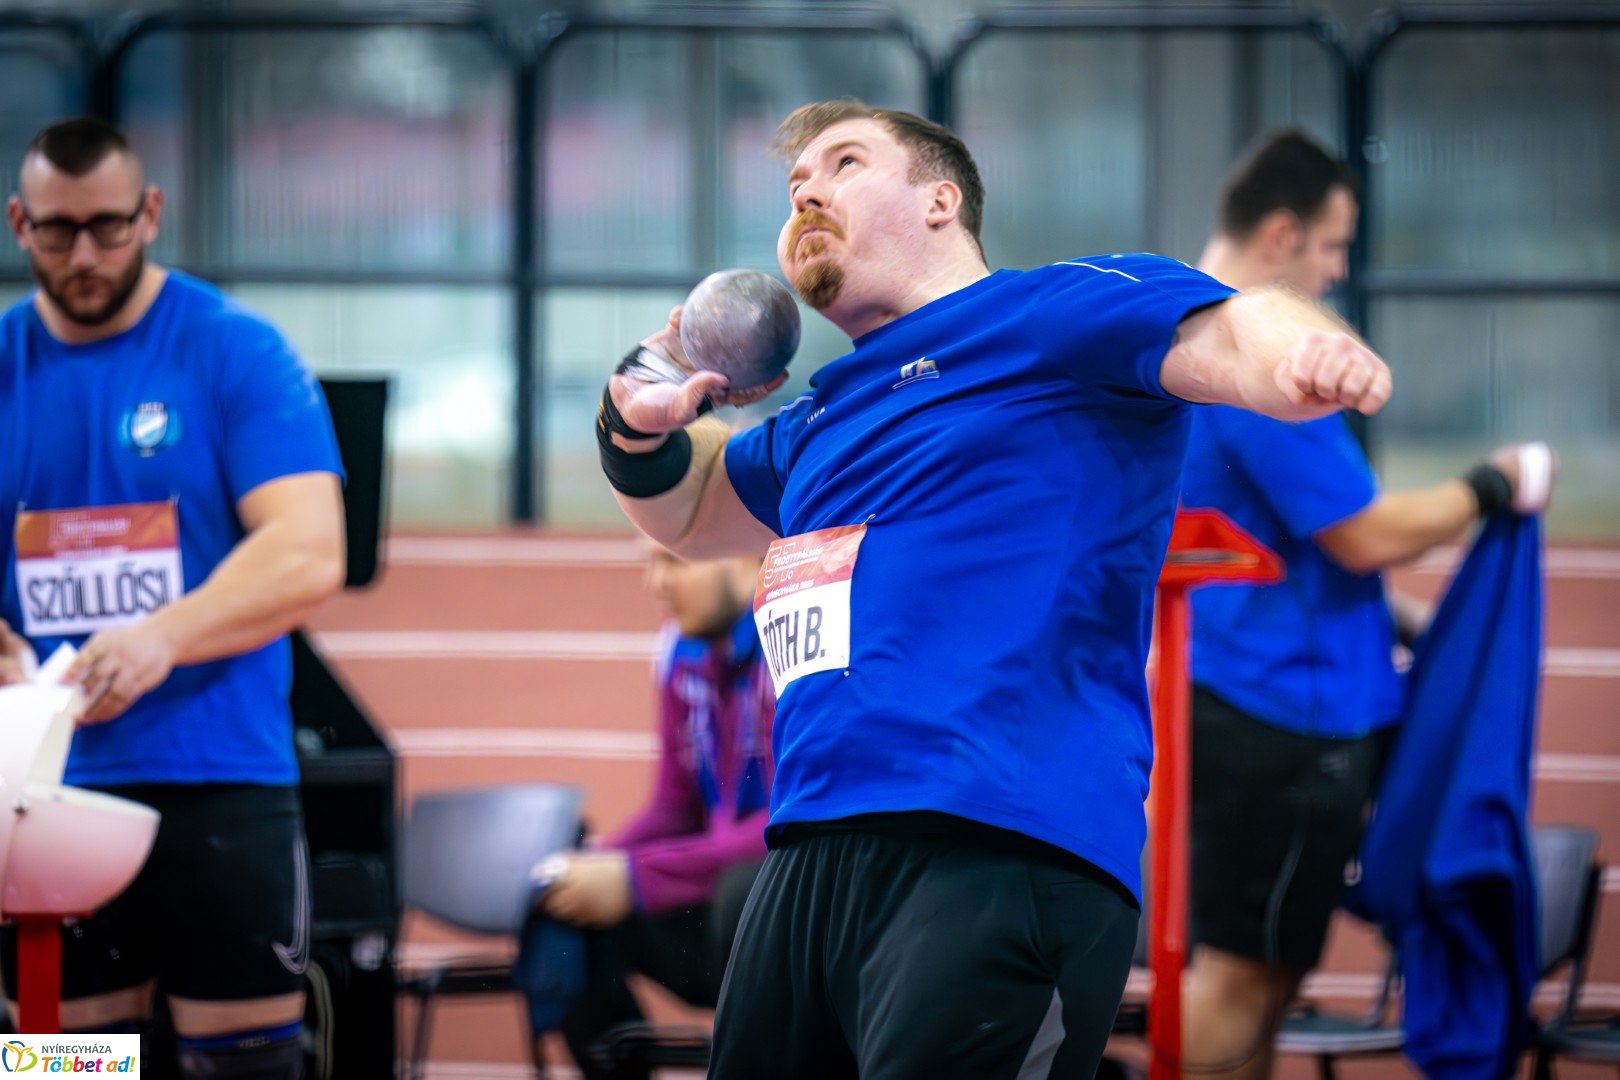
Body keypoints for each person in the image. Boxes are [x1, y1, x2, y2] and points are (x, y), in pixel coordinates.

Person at [594, 99, 1393, 1078]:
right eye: (794, 185)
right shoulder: (820, 423)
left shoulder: (1055, 315)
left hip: (997, 844)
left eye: (844, 164)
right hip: (806, 853)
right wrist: (636, 411)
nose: (806, 193)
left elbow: (1235, 324)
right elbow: (687, 505)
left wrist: (1299, 351)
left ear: (941, 201)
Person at [1178, 129, 1554, 1078]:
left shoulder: (1193, 336)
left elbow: (1287, 541)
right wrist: (1493, 483)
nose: (1339, 270)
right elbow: (1367, 533)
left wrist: (1400, 620)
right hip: (1282, 711)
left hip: (1259, 692)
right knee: (1240, 975)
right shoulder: (1260, 362)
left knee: (1266, 976)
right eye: (1334, 246)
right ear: (1281, 235)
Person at [0, 118, 346, 1078]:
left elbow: (310, 549)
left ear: (150, 213)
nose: (83, 255)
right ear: (19, 224)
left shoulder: (235, 350)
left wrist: (162, 637)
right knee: (71, 1067)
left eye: (108, 227)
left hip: (220, 783)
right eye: (57, 231)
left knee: (242, 1066)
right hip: (45, 792)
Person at [516, 545, 772, 1079]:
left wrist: (634, 878)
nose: (655, 584)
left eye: (674, 560)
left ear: (745, 556)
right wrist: (596, 866)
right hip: (711, 906)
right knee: (565, 897)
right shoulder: (680, 647)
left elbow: (789, 827)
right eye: (648, 563)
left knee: (744, 892)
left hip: (786, 918)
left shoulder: (793, 649)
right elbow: (673, 809)